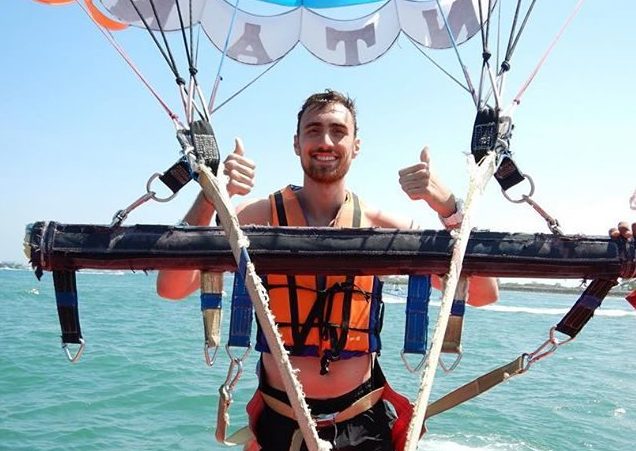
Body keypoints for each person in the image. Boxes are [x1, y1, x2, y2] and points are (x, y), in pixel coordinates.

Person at [157, 89, 499, 451]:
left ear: (356, 145)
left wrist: (447, 207)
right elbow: (172, 287)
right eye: (314, 130)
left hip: (365, 425)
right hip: (281, 424)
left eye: (338, 131)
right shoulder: (255, 219)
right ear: (296, 143)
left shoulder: (381, 226)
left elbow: (483, 294)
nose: (326, 141)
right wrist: (213, 195)